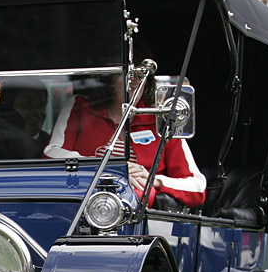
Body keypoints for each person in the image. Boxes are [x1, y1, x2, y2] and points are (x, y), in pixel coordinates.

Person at [44, 66, 206, 208]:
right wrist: (111, 169)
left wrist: (153, 180)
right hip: (80, 202)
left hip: (141, 217)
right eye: (127, 74)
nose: (135, 80)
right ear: (108, 78)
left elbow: (197, 186)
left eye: (141, 75)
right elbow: (51, 154)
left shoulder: (161, 120)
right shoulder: (79, 106)